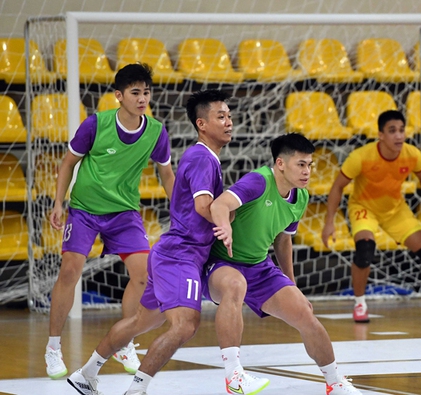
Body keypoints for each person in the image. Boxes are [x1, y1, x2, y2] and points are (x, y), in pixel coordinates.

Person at [66, 89, 232, 395]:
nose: (229, 122)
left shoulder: (206, 158)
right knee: (185, 324)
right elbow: (203, 207)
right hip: (180, 257)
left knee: (140, 322)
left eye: (229, 115)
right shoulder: (201, 158)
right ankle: (137, 389)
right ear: (202, 124)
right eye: (220, 116)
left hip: (171, 253)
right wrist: (229, 220)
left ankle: (86, 374)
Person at [203, 133, 362, 395]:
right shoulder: (258, 181)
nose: (307, 171)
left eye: (310, 165)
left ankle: (335, 382)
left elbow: (283, 240)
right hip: (221, 262)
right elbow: (219, 204)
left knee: (305, 313)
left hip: (259, 266)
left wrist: (290, 282)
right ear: (280, 163)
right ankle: (233, 376)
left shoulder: (300, 198)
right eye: (301, 164)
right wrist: (225, 229)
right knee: (234, 285)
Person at [45, 63, 175, 379]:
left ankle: (125, 340)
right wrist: (58, 202)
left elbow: (167, 174)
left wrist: (182, 212)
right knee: (70, 270)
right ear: (118, 96)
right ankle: (53, 347)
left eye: (146, 92)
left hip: (124, 214)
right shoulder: (95, 124)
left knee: (144, 275)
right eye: (135, 93)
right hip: (84, 211)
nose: (142, 98)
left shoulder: (157, 132)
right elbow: (67, 163)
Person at [321, 110, 421, 323]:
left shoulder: (412, 154)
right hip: (364, 208)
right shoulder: (360, 157)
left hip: (396, 210)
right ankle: (360, 304)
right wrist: (329, 222)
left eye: (401, 130)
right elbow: (337, 186)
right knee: (365, 250)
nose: (398, 135)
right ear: (381, 135)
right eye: (392, 131)